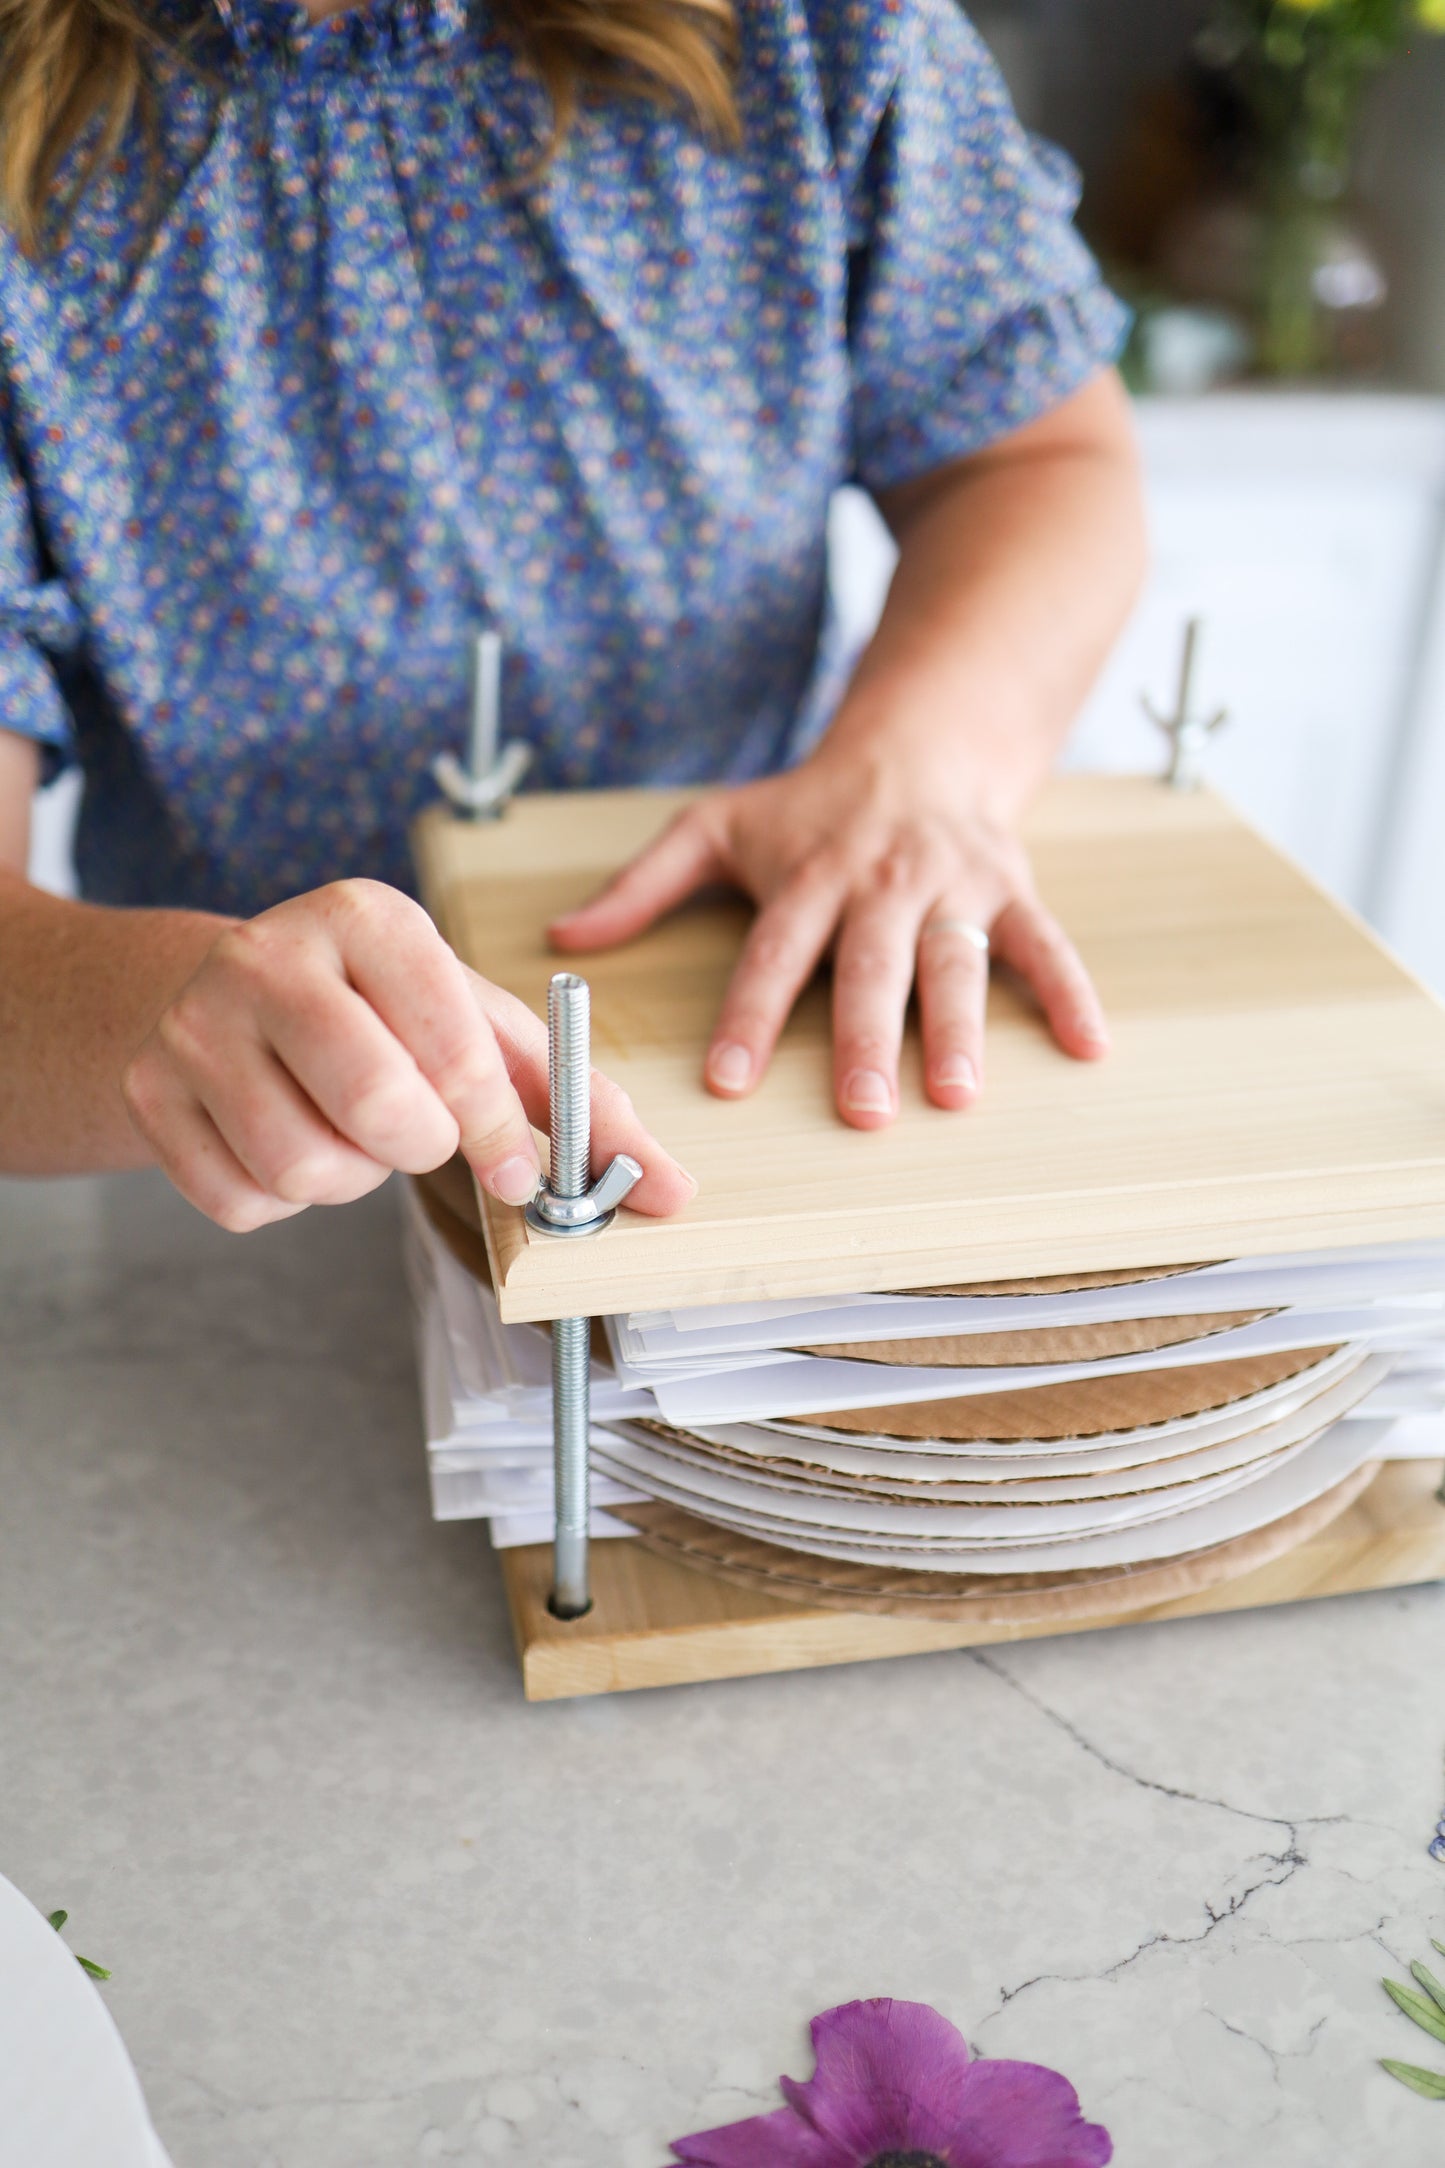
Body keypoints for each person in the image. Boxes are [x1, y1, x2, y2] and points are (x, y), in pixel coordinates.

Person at [0, 0, 1146, 1235]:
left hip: (761, 1058)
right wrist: (176, 1016)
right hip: (232, 1188)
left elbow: (1034, 460)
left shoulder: (823, 33)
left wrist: (919, 764)